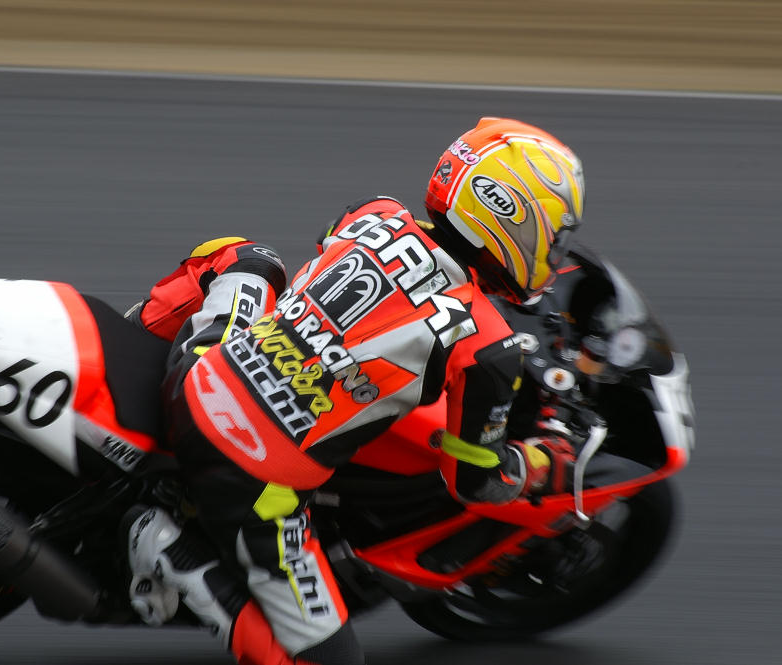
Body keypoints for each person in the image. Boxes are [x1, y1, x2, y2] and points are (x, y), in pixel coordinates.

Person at [124, 117, 586, 665]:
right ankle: (175, 556)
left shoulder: (372, 212)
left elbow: (340, 272)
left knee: (243, 258)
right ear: (516, 219)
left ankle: (126, 343)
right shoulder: (489, 348)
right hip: (250, 478)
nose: (556, 255)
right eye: (555, 238)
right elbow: (477, 482)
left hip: (197, 374)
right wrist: (546, 463)